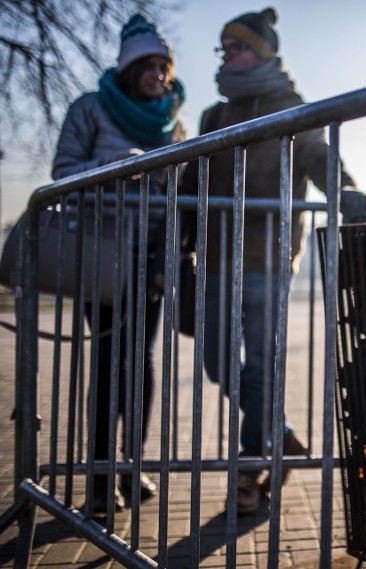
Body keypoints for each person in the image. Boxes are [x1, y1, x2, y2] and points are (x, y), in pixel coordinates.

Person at [180, 7, 366, 515]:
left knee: (261, 365)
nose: (229, 56)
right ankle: (280, 433)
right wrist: (177, 248)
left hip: (267, 257)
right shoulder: (212, 116)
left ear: (263, 52)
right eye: (224, 49)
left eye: (238, 47)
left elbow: (317, 156)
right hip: (216, 257)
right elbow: (190, 186)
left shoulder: (289, 105)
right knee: (220, 362)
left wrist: (345, 189)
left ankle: (249, 470)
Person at [52, 13, 186, 514]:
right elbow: (61, 172)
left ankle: (134, 466)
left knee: (143, 361)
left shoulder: (174, 120)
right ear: (129, 69)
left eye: (163, 64)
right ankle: (100, 482)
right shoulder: (90, 109)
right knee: (111, 362)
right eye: (148, 65)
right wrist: (115, 166)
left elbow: (179, 188)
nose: (158, 74)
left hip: (153, 254)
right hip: (102, 251)